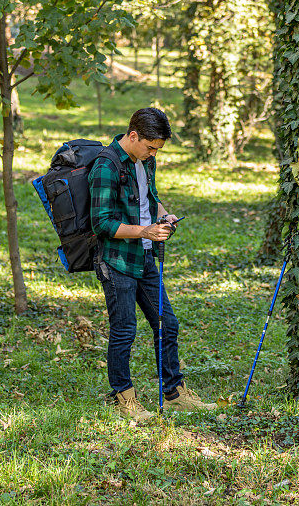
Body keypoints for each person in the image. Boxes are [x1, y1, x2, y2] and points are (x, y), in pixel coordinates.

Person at [89, 107, 216, 420]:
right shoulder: (106, 166)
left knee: (167, 323)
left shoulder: (147, 160)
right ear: (133, 136)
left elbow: (150, 199)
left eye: (157, 149)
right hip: (117, 260)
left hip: (144, 255)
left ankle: (174, 392)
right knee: (124, 331)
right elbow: (101, 224)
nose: (152, 154)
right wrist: (145, 230)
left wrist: (163, 216)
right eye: (149, 147)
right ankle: (124, 398)